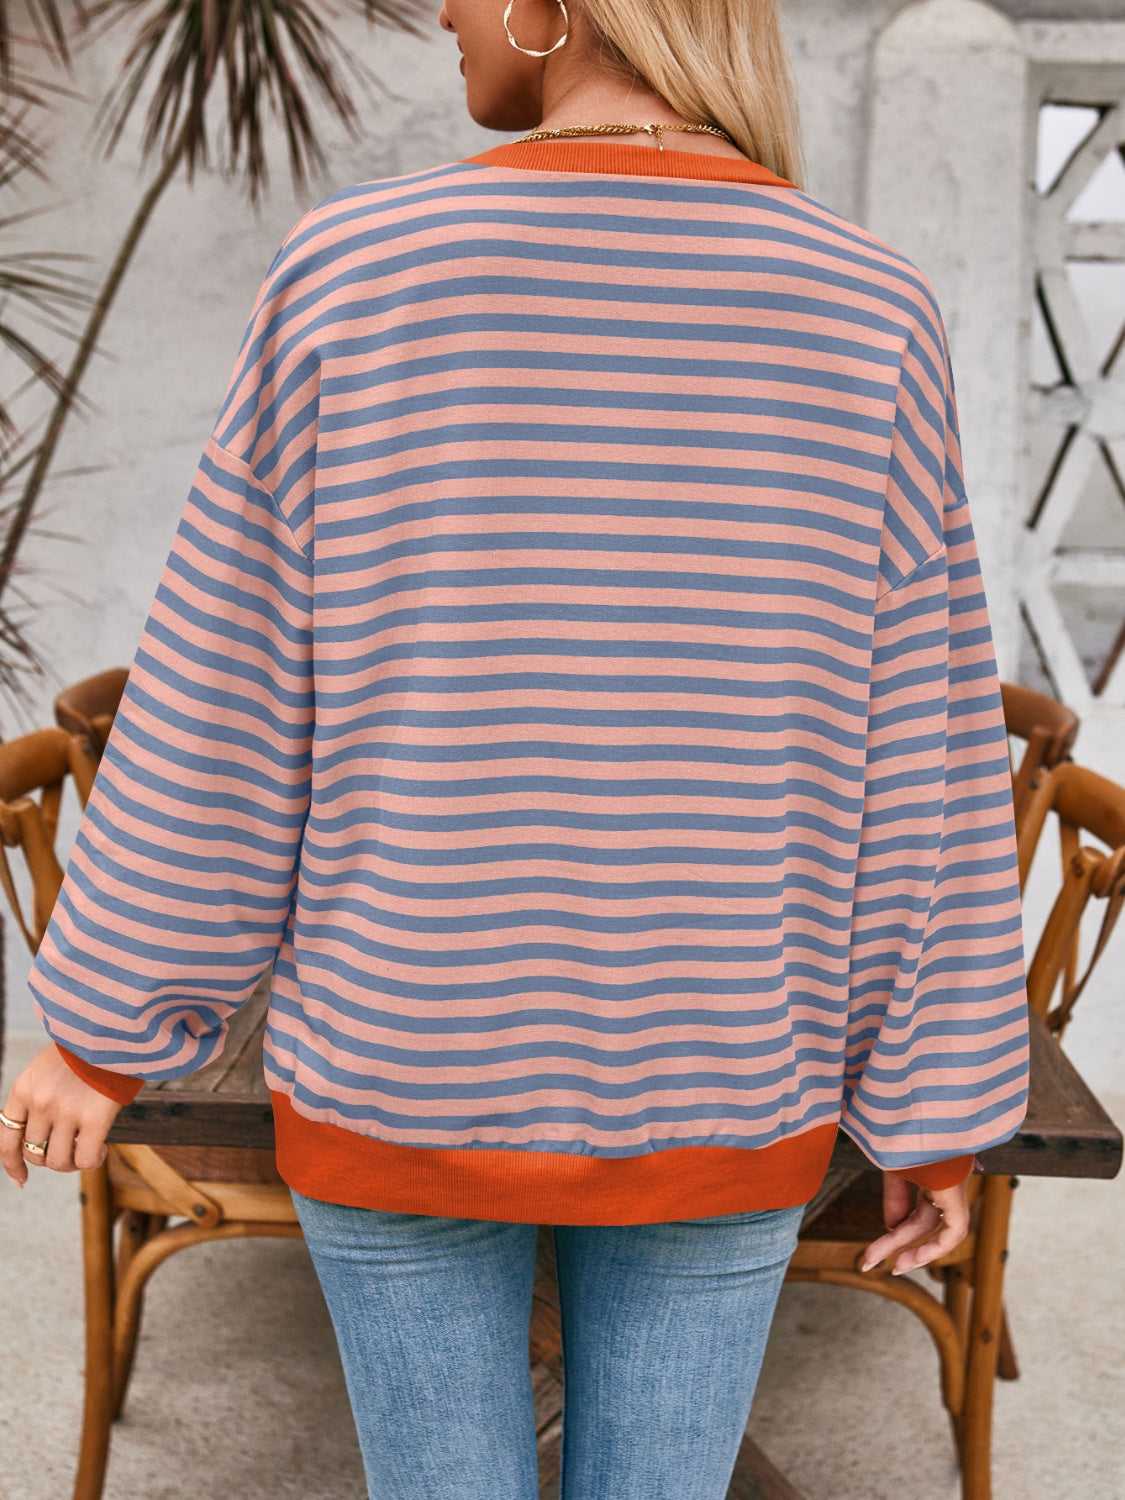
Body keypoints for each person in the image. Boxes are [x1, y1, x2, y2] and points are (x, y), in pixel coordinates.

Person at [1, 1, 1031, 1495]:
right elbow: (921, 752)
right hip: (731, 1066)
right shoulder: (870, 306)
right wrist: (930, 1107)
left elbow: (223, 696)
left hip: (399, 1057)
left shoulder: (354, 271)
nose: (443, 9)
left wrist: (107, 1024)